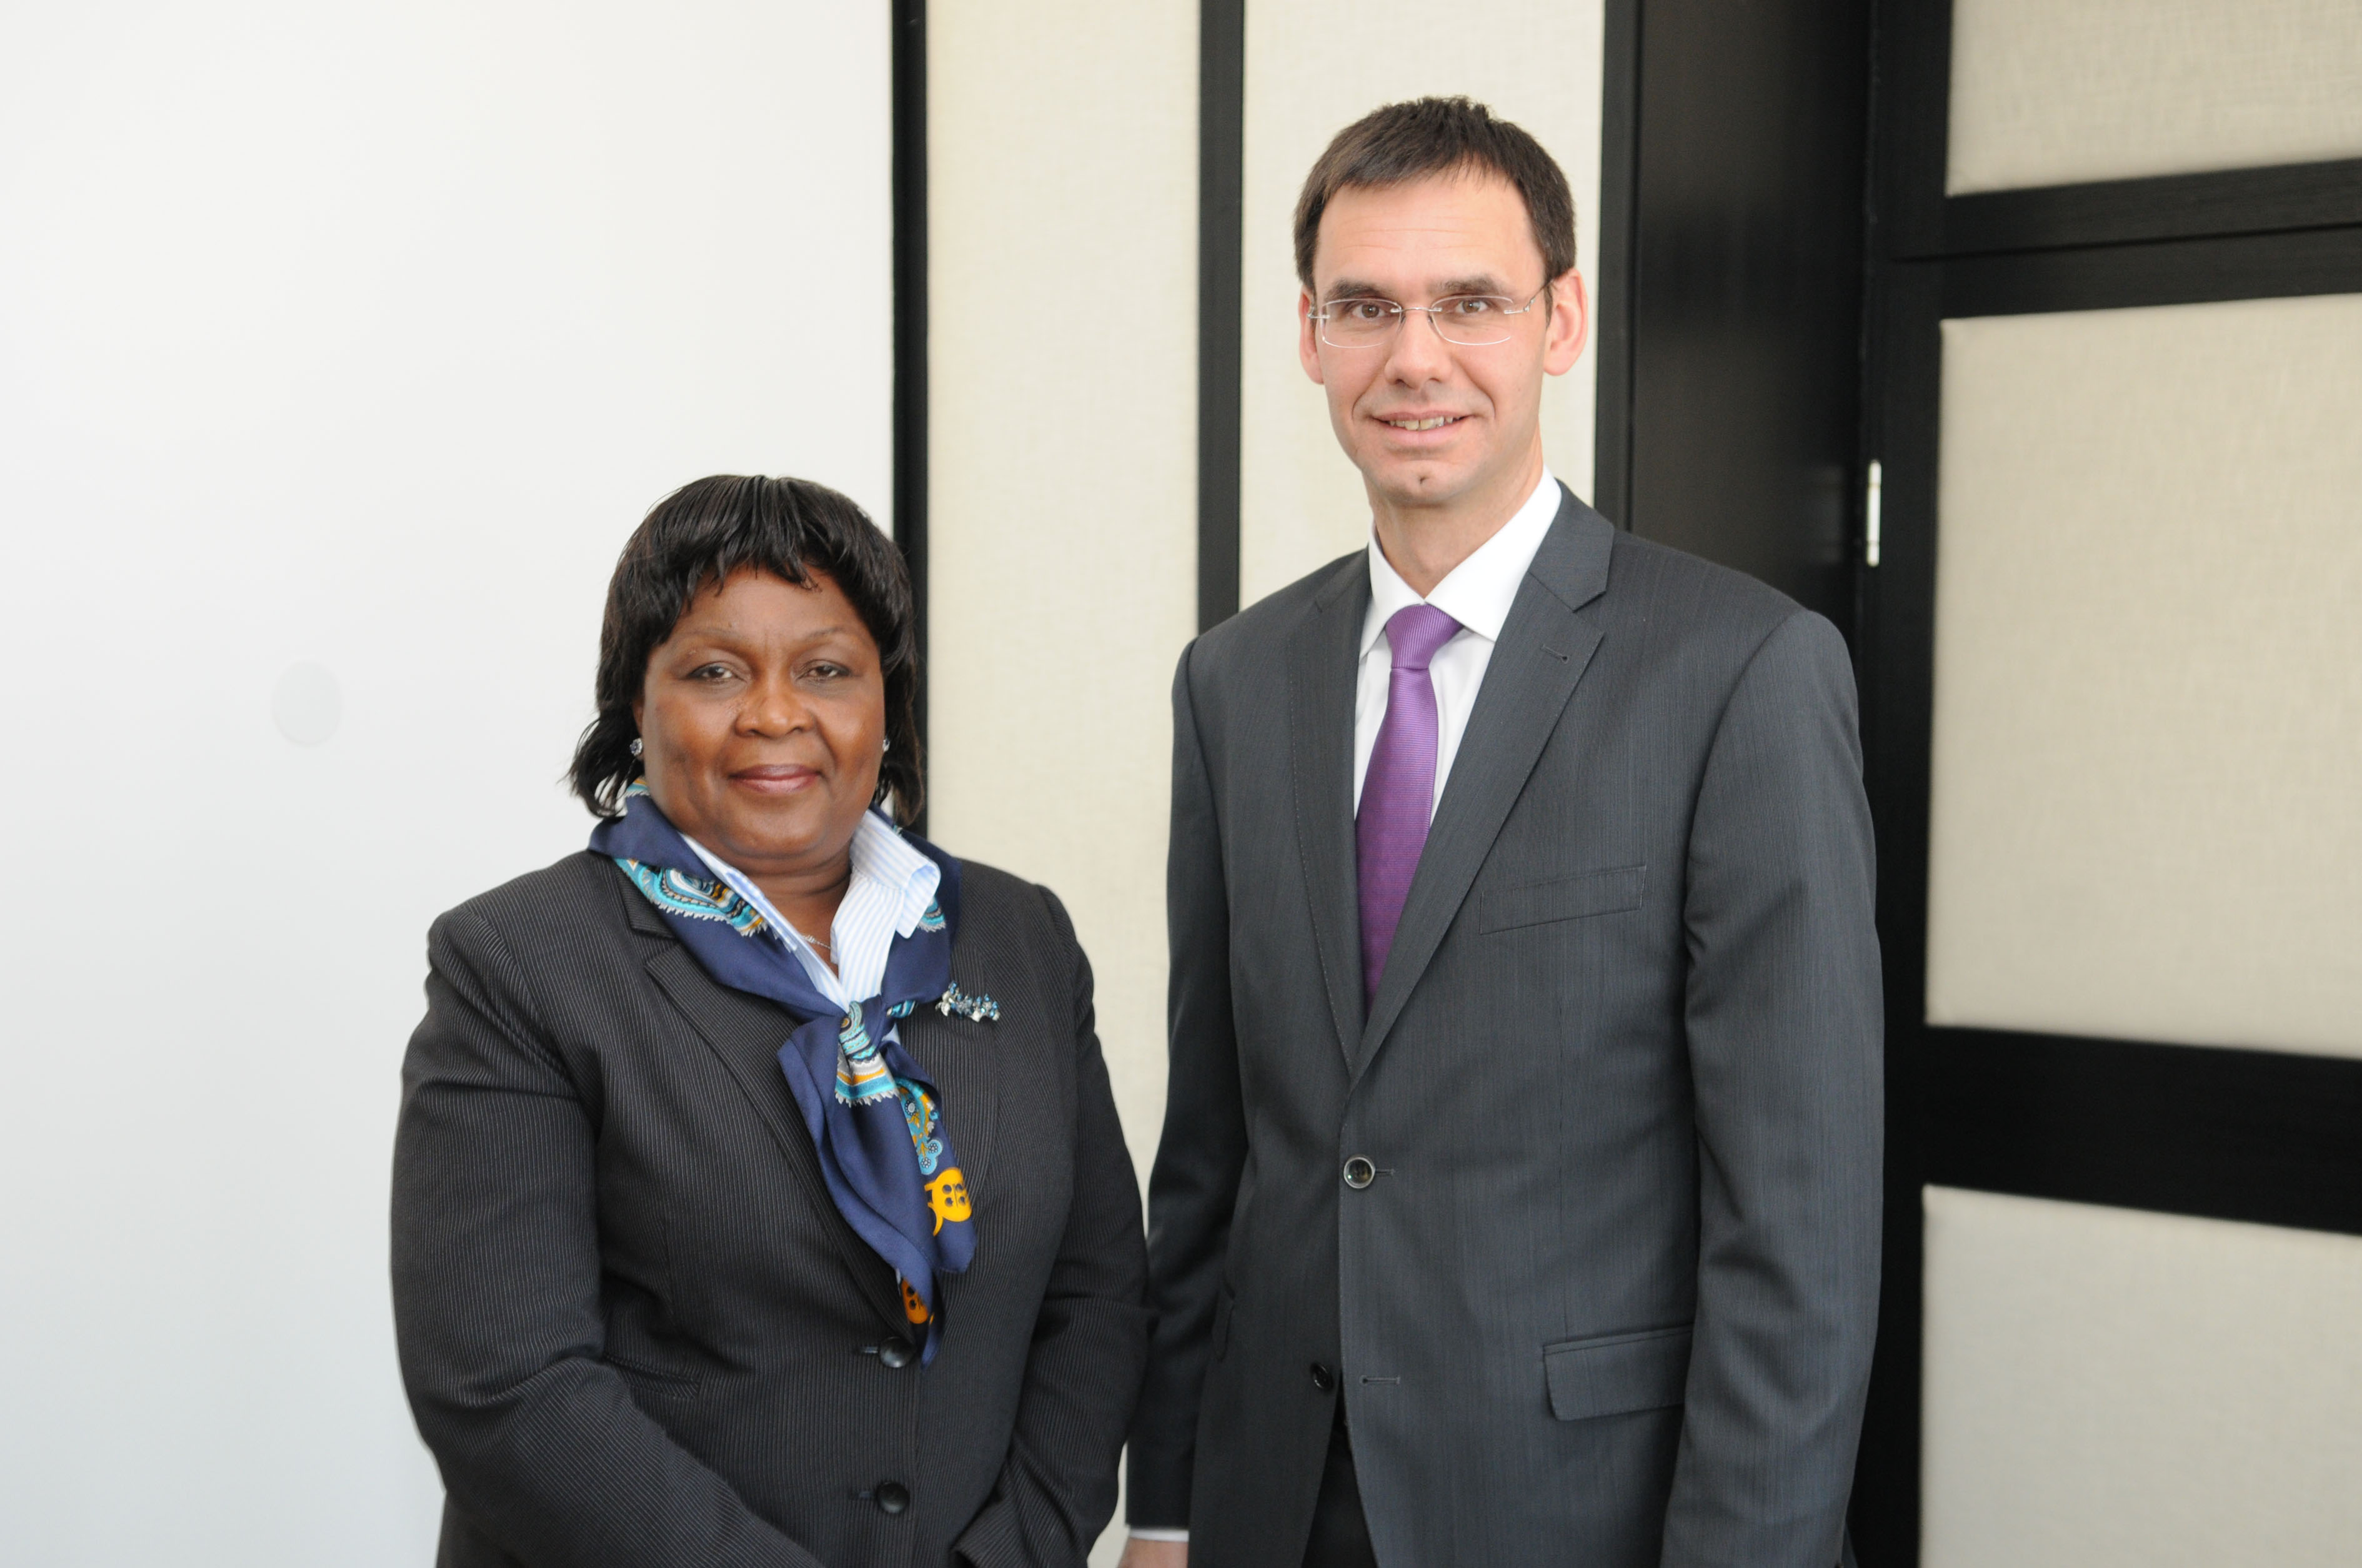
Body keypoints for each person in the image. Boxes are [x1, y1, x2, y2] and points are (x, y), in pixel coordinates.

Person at [1120, 97, 1881, 1568]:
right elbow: (1213, 1157)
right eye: (1366, 307)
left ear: (1561, 320)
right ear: (1310, 336)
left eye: (1470, 302)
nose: (1415, 357)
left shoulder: (1740, 671)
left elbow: (1802, 1233)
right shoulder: (1235, 681)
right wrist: (1166, 1509)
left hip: (1590, 1511)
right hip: (1279, 1502)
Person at [392, 475, 1149, 1567]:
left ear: (886, 701)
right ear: (636, 704)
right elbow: (508, 1389)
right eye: (714, 671)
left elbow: (1095, 1295)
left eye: (827, 669)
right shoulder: (518, 964)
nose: (776, 713)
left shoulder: (1021, 937)